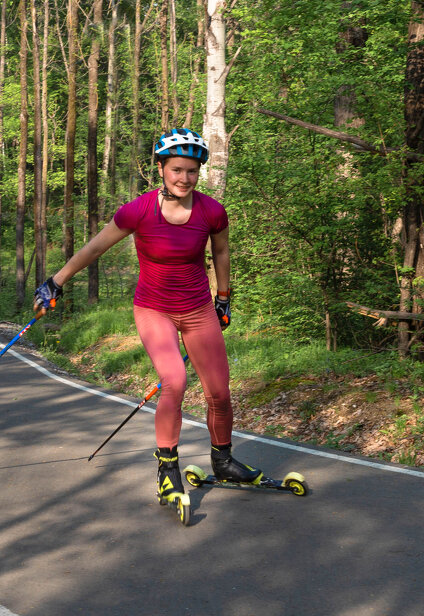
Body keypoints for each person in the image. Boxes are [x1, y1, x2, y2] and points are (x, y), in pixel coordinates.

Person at [33, 128, 258, 518]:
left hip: (199, 309)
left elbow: (220, 253)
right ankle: (167, 470)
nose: (184, 178)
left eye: (192, 171)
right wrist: (57, 281)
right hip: (154, 309)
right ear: (160, 169)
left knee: (219, 393)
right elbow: (95, 247)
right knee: (174, 380)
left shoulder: (211, 211)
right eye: (176, 170)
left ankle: (223, 461)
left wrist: (223, 299)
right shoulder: (138, 211)